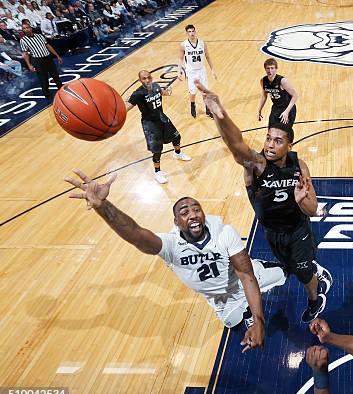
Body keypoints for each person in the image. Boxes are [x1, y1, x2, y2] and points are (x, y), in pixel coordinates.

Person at [64, 169, 287, 352]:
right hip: (221, 300)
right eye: (184, 211)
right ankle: (245, 311)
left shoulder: (224, 232)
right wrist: (104, 207)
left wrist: (259, 322)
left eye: (196, 209)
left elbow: (246, 276)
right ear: (176, 221)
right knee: (234, 323)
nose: (192, 214)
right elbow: (135, 234)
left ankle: (290, 272)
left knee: (284, 274)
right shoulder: (171, 245)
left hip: (244, 280)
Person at [193, 81, 332, 323]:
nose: (270, 144)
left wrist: (301, 201)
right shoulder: (256, 165)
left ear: (289, 145)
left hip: (297, 231)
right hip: (272, 233)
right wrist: (220, 113)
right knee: (289, 266)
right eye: (268, 138)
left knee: (301, 272)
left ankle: (314, 298)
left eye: (278, 141)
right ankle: (312, 269)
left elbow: (312, 209)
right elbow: (236, 145)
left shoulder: (299, 167)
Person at [125, 70, 192, 184]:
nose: (147, 80)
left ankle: (177, 153)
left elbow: (163, 92)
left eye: (148, 77)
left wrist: (170, 89)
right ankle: (157, 172)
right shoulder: (138, 94)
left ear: (151, 77)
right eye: (144, 78)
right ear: (140, 80)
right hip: (149, 123)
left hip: (161, 117)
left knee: (177, 137)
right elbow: (127, 107)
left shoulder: (156, 86)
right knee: (157, 149)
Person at [178, 24, 217, 118]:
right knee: (193, 92)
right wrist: (178, 71)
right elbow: (180, 58)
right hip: (191, 71)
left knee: (205, 91)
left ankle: (208, 109)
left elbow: (208, 57)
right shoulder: (183, 45)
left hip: (201, 70)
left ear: (195, 31)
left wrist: (213, 70)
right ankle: (192, 105)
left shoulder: (202, 43)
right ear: (187, 33)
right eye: (189, 32)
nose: (191, 33)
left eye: (193, 31)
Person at [19, 21, 63, 99]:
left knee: (55, 74)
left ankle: (61, 89)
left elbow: (48, 46)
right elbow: (25, 53)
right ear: (23, 30)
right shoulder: (23, 40)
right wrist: (29, 65)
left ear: (31, 28)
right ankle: (47, 95)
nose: (26, 29)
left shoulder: (40, 36)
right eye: (24, 29)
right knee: (43, 78)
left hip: (48, 57)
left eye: (27, 27)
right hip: (37, 60)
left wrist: (57, 56)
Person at [257, 58, 298, 126]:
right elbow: (264, 96)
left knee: (284, 134)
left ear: (276, 69)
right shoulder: (263, 81)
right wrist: (259, 110)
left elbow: (295, 95)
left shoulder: (282, 81)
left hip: (288, 108)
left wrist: (286, 112)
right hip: (276, 108)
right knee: (271, 131)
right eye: (268, 68)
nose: (270, 71)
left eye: (272, 68)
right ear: (265, 69)